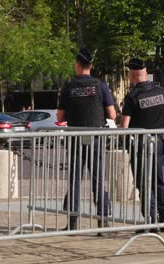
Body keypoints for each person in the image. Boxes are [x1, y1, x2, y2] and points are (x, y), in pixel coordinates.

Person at [57, 47, 117, 234]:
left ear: (77, 65)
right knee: (98, 179)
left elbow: (59, 117)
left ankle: (73, 223)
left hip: (74, 138)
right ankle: (102, 222)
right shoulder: (100, 85)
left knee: (74, 180)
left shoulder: (68, 86)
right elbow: (112, 114)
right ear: (91, 66)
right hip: (96, 137)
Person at [120, 58, 164, 233]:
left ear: (133, 74)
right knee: (159, 181)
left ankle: (150, 220)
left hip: (140, 146)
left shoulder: (132, 97)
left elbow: (124, 127)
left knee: (144, 182)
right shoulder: (159, 92)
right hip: (158, 142)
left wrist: (126, 145)